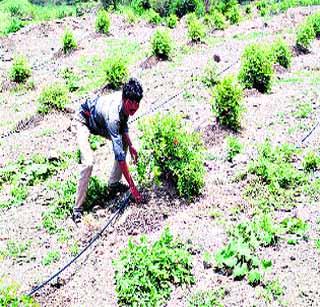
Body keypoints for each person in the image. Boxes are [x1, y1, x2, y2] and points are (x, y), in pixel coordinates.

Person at [72, 78, 143, 223]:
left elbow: (123, 125)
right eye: (131, 103)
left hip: (99, 123)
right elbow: (120, 155)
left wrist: (131, 145)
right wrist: (132, 186)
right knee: (88, 163)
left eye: (137, 103)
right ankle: (77, 209)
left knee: (123, 141)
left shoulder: (125, 106)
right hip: (83, 120)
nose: (134, 107)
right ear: (124, 99)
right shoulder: (113, 116)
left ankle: (113, 184)